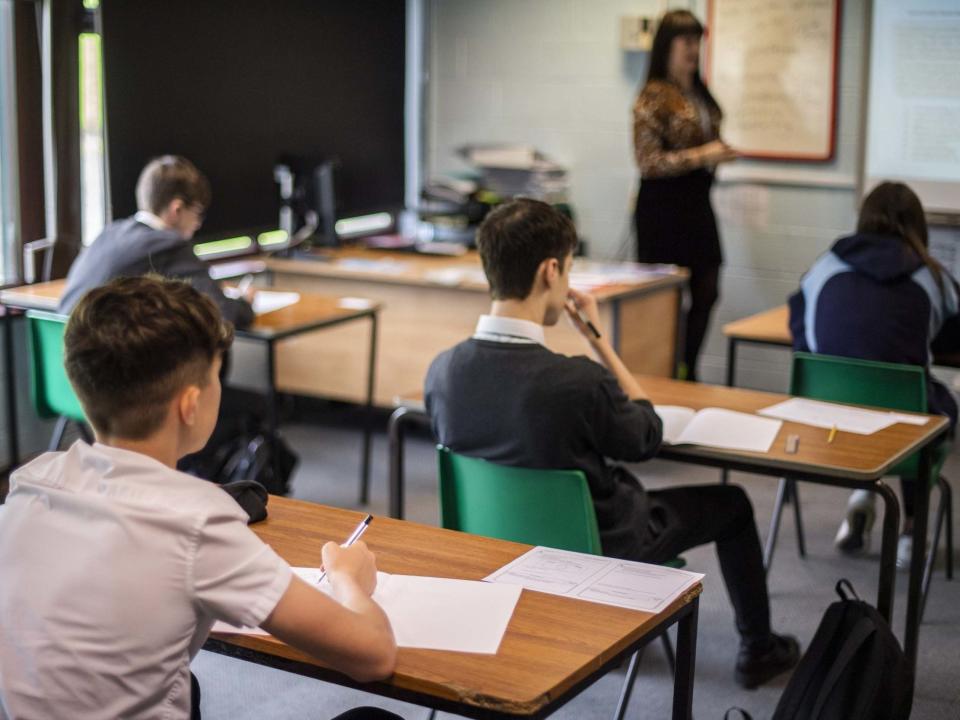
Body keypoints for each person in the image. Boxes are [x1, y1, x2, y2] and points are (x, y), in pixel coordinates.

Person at [425, 199, 798, 689]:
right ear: (550, 270)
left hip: (494, 549)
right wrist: (599, 340)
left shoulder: (443, 372)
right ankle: (758, 648)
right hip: (595, 552)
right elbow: (647, 434)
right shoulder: (577, 382)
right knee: (732, 503)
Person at [0, 276, 396, 719]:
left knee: (187, 685)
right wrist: (349, 579)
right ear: (190, 405)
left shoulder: (29, 483)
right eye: (214, 376)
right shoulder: (197, 520)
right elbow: (373, 655)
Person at [789, 181, 960, 568]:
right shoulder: (932, 276)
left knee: (876, 401)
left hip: (825, 423)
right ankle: (911, 528)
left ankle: (863, 491)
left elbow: (801, 336)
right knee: (934, 406)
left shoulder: (823, 266)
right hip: (905, 428)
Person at [632, 10, 737, 381]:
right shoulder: (653, 95)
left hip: (697, 201)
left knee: (707, 287)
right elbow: (648, 161)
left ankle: (687, 366)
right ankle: (666, 369)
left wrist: (716, 157)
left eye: (697, 41)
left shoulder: (698, 91)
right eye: (685, 41)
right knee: (666, 297)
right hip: (663, 207)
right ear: (667, 46)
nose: (693, 49)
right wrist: (703, 155)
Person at [59, 155, 253, 329]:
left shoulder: (110, 233)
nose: (198, 224)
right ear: (177, 209)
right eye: (198, 214)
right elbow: (222, 314)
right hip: (108, 362)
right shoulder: (169, 244)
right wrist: (244, 302)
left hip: (66, 356)